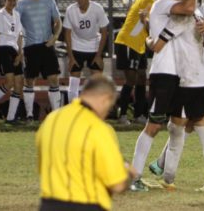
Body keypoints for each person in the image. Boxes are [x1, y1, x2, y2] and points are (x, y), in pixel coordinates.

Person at [149, 0, 204, 192]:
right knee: (202, 125)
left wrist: (148, 37)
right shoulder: (199, 15)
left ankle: (168, 179)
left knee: (176, 127)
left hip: (189, 80)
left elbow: (157, 46)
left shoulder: (180, 17)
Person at [129, 0, 196, 191]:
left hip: (178, 75)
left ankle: (163, 169)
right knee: (154, 125)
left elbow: (156, 34)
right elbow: (189, 9)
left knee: (179, 124)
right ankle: (134, 177)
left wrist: (148, 32)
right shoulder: (163, 3)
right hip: (164, 74)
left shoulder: (166, 8)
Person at [36, 74, 135, 211]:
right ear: (105, 99)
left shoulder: (51, 120)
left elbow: (43, 166)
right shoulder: (97, 128)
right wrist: (129, 173)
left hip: (48, 205)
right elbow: (117, 184)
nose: (106, 114)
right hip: (87, 205)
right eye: (109, 107)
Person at [114, 0, 165, 125]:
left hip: (138, 45)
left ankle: (138, 114)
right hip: (128, 42)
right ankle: (122, 114)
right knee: (131, 79)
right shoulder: (148, 0)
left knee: (142, 77)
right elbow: (148, 25)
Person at [16, 0, 62, 122]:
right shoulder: (21, 4)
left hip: (47, 46)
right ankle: (30, 115)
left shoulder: (49, 1)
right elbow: (16, 26)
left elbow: (58, 22)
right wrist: (20, 48)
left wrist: (54, 37)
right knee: (29, 80)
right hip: (30, 47)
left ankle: (55, 115)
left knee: (53, 79)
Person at [63, 0, 109, 103]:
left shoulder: (97, 8)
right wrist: (71, 57)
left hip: (94, 47)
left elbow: (104, 32)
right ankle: (73, 112)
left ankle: (95, 112)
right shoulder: (70, 10)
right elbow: (67, 33)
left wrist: (99, 55)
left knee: (97, 82)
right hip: (77, 46)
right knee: (73, 82)